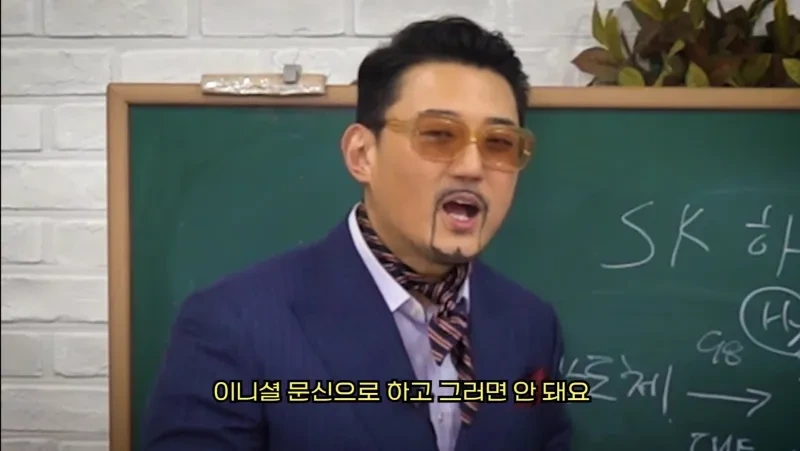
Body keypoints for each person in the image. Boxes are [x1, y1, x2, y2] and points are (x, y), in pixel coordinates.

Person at [141, 15, 572, 451]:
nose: (472, 167)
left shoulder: (531, 324)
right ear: (362, 154)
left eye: (499, 143)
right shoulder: (233, 325)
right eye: (439, 135)